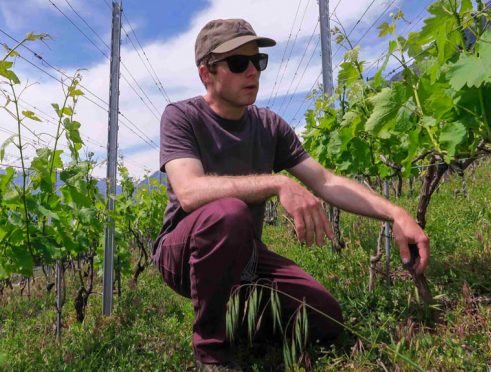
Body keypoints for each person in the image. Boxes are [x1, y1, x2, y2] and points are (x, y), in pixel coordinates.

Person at [153, 18, 430, 370]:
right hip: (182, 253)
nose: (252, 71)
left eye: (258, 61)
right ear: (206, 73)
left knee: (326, 319)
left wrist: (395, 214)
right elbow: (190, 191)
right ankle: (212, 352)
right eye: (239, 63)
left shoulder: (269, 125)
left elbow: (325, 181)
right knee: (229, 213)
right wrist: (278, 182)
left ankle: (237, 316)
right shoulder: (182, 117)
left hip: (245, 255)